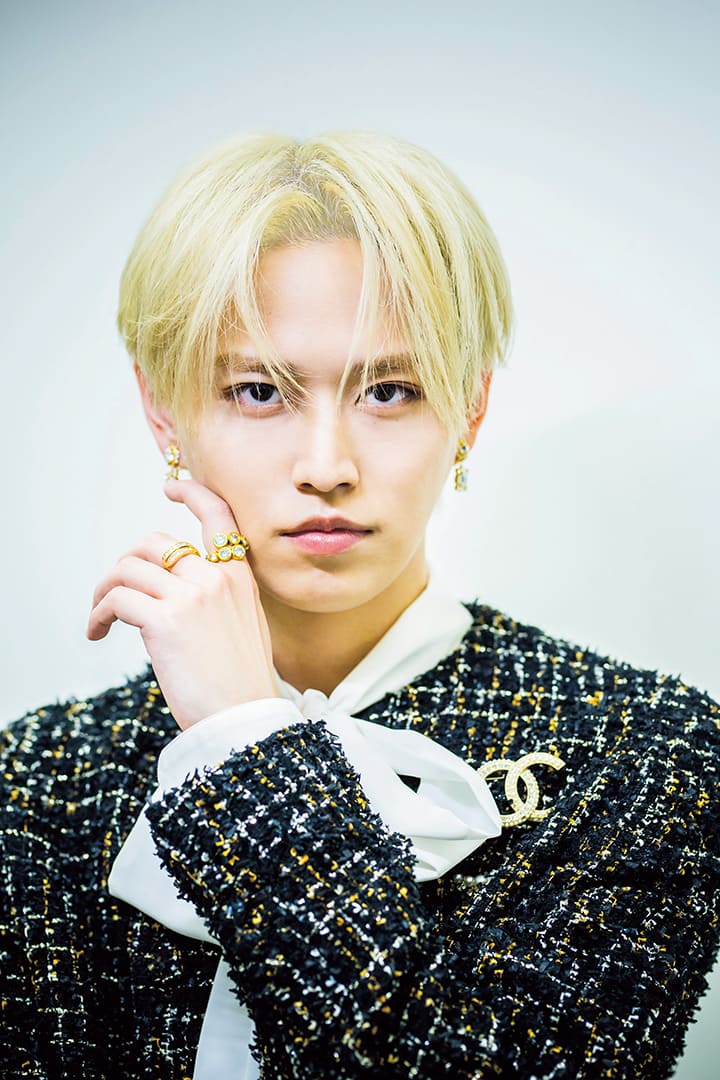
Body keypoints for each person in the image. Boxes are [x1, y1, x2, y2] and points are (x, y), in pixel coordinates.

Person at [1, 130, 718, 1080]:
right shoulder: (37, 781)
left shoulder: (647, 749)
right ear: (162, 411)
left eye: (389, 390)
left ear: (469, 409)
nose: (327, 467)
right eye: (258, 390)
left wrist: (245, 744)